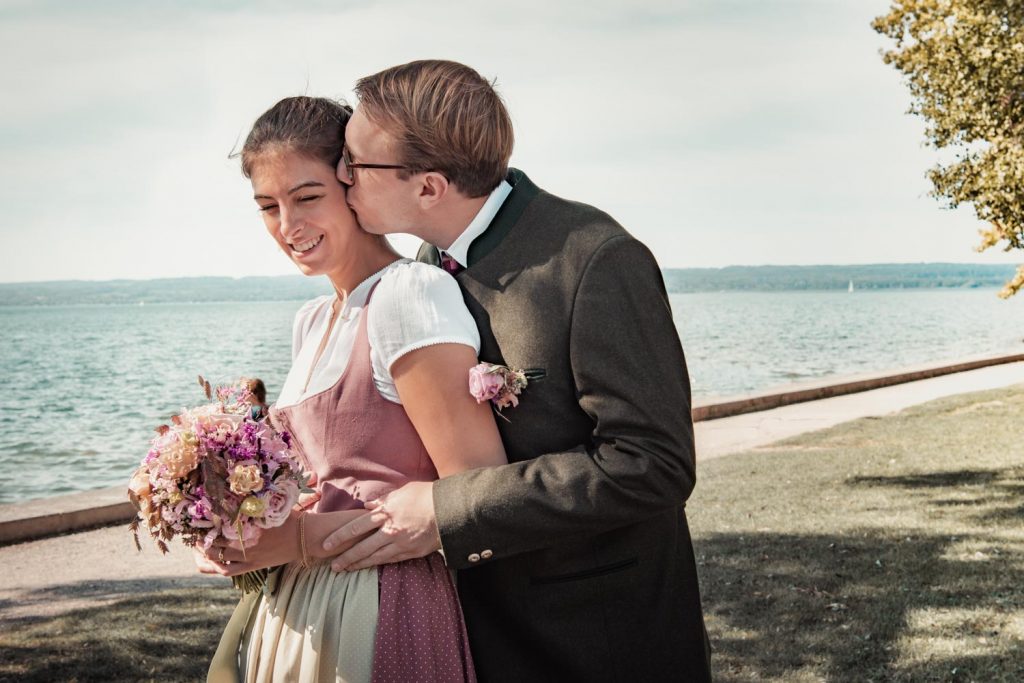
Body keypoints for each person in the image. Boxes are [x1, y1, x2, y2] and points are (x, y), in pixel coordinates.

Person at [321, 60, 713, 681]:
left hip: (593, 640)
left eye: (353, 162)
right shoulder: (425, 267)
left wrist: (449, 511)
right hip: (478, 633)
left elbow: (654, 465)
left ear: (428, 187)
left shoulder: (595, 260)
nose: (340, 176)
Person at [194, 95, 506, 682]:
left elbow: (474, 493)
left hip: (384, 601)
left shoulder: (410, 294)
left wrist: (304, 539)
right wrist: (239, 523)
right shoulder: (311, 319)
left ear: (352, 183)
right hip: (301, 604)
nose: (289, 226)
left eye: (307, 197)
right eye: (268, 206)